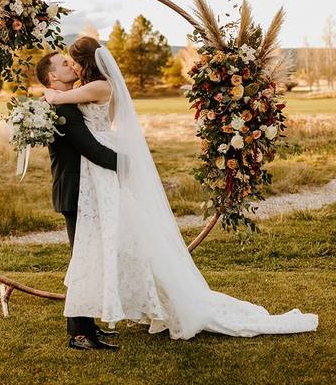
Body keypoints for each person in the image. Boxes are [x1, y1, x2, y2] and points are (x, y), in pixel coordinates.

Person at [42, 36, 319, 340]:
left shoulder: (99, 87)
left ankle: (95, 318)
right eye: (66, 63)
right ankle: (92, 317)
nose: (72, 66)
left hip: (103, 164)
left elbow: (57, 100)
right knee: (105, 244)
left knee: (107, 243)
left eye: (73, 61)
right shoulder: (96, 87)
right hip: (97, 169)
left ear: (86, 63)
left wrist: (48, 93)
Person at [35, 50, 122, 351]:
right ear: (52, 77)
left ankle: (87, 325)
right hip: (74, 190)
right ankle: (79, 334)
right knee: (82, 260)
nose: (70, 64)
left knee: (87, 256)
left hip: (83, 189)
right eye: (62, 64)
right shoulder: (64, 110)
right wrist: (130, 166)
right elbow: (92, 149)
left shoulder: (67, 102)